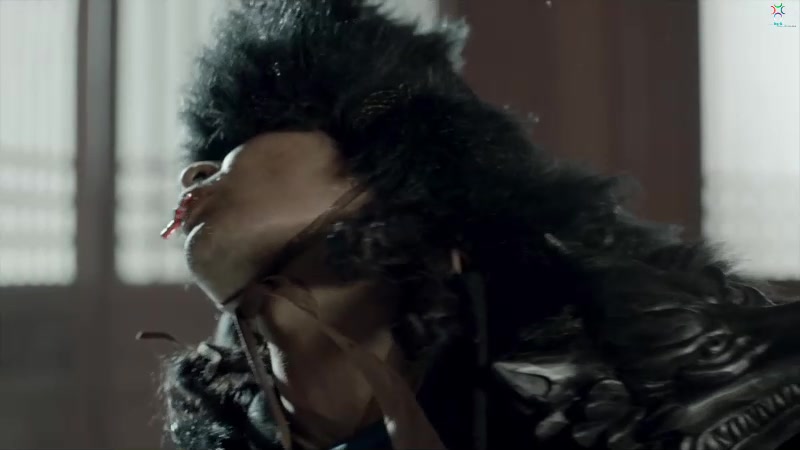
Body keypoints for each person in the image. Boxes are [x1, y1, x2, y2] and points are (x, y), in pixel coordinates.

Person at [159, 1, 800, 449]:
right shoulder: (237, 429)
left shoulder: (652, 393)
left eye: (236, 147)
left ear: (394, 168)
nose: (193, 173)